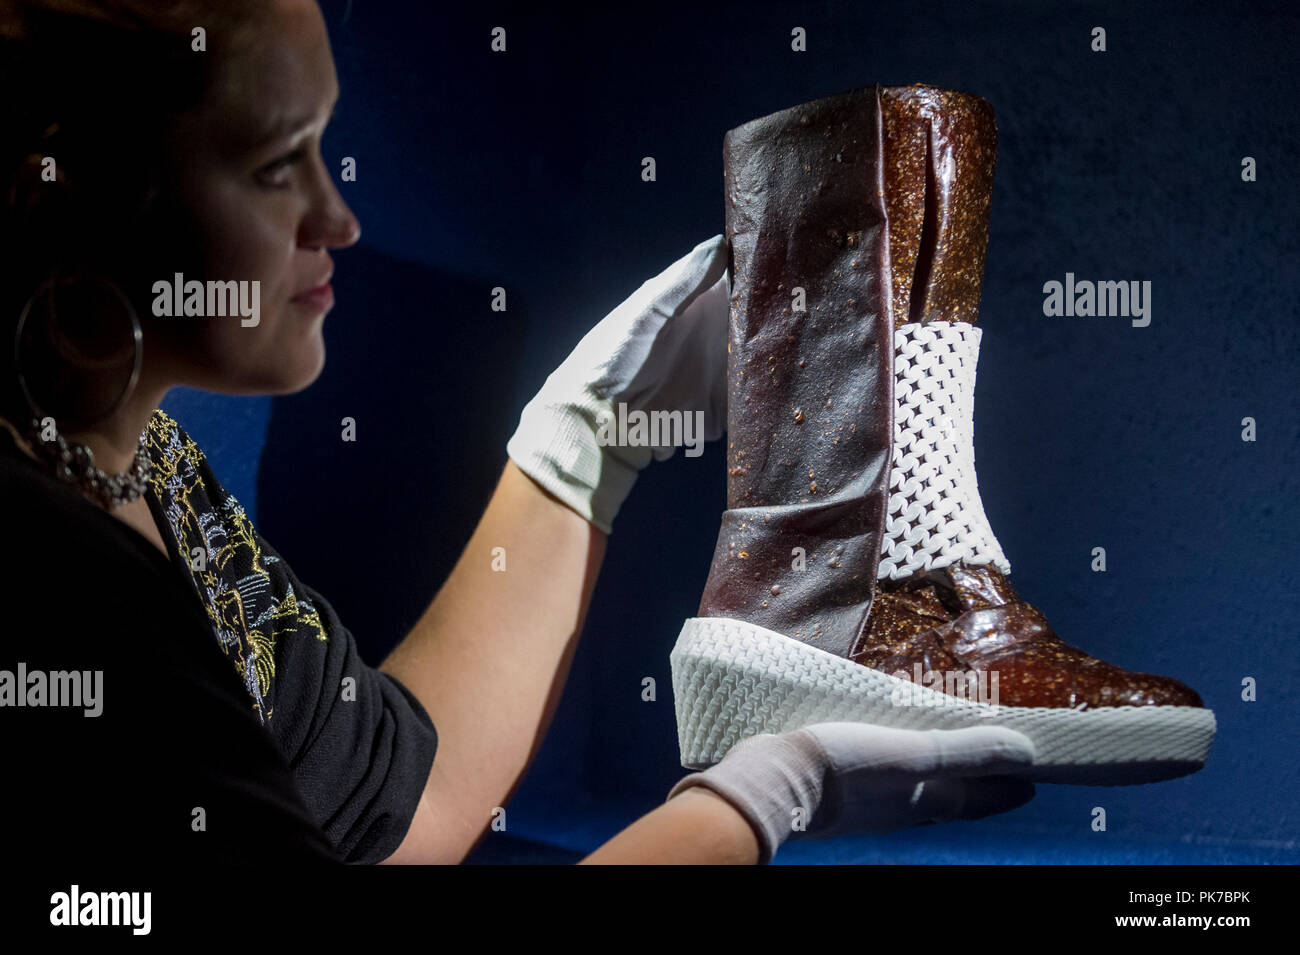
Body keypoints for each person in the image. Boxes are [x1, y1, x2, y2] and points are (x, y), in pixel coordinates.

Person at [0, 0, 1034, 866]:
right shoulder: (52, 580)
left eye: (325, 143)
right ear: (73, 199)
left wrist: (585, 439)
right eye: (277, 164)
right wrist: (763, 796)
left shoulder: (149, 470)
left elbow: (398, 797)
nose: (337, 216)